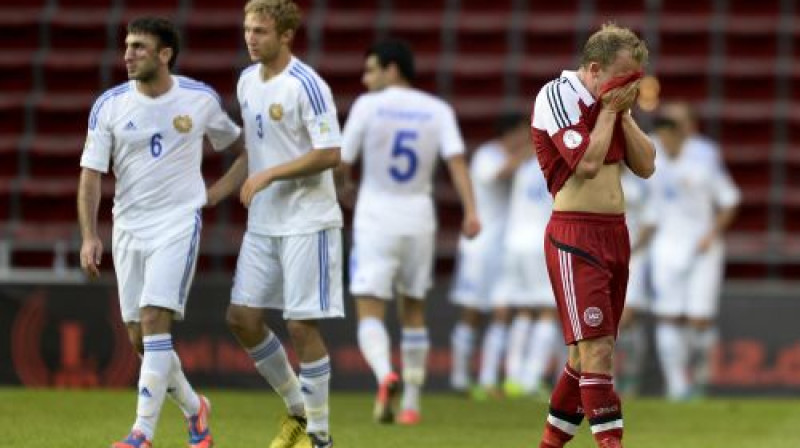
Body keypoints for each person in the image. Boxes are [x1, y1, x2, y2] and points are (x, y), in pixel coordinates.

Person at [78, 17, 242, 448]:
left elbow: (244, 150)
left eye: (139, 47)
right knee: (141, 338)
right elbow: (91, 176)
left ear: (165, 54)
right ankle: (195, 409)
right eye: (127, 46)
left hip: (177, 222)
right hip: (127, 226)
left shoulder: (200, 99)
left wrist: (214, 194)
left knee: (154, 319)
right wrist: (89, 236)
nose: (127, 54)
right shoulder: (109, 105)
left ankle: (141, 434)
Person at [205, 1, 343, 447]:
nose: (250, 37)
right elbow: (255, 152)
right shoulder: (247, 82)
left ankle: (320, 438)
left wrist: (270, 174)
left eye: (260, 31)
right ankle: (298, 410)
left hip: (308, 220)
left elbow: (329, 152)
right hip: (264, 224)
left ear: (285, 35)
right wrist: (213, 194)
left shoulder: (308, 85)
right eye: (247, 29)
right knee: (241, 318)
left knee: (303, 326)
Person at [338, 39, 480, 425]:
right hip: (419, 218)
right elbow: (457, 164)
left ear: (392, 69)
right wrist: (471, 212)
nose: (366, 80)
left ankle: (386, 373)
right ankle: (413, 404)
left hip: (376, 218)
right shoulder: (438, 110)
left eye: (371, 70)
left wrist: (344, 186)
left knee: (370, 307)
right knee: (413, 309)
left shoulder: (368, 106)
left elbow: (342, 161)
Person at [530, 23, 655, 448]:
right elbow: (584, 162)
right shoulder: (557, 95)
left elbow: (647, 164)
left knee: (583, 358)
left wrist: (621, 111)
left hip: (615, 234)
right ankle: (611, 444)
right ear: (597, 69)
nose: (632, 86)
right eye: (627, 77)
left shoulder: (612, 104)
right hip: (575, 235)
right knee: (599, 349)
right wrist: (607, 111)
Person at [645, 101, 740, 401]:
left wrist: (712, 233)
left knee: (700, 320)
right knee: (669, 316)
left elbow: (729, 199)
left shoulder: (703, 159)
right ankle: (677, 387)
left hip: (702, 247)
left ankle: (700, 377)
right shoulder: (650, 156)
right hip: (665, 248)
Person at [448, 112, 529, 397]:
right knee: (472, 312)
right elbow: (499, 174)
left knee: (502, 311)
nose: (527, 138)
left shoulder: (523, 161)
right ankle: (459, 378)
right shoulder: (487, 155)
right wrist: (531, 150)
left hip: (505, 248)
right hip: (479, 249)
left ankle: (487, 379)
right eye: (524, 132)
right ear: (511, 132)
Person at [494, 149, 561, 400]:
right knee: (547, 312)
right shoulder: (559, 163)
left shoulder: (523, 162)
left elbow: (500, 175)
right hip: (540, 242)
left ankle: (513, 378)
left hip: (514, 242)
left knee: (522, 311)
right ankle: (531, 380)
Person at [614, 167, 654, 397]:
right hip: (604, 256)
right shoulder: (598, 179)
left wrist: (633, 248)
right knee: (605, 322)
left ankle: (631, 378)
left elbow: (651, 220)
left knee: (626, 317)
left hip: (634, 257)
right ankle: (610, 383)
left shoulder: (639, 184)